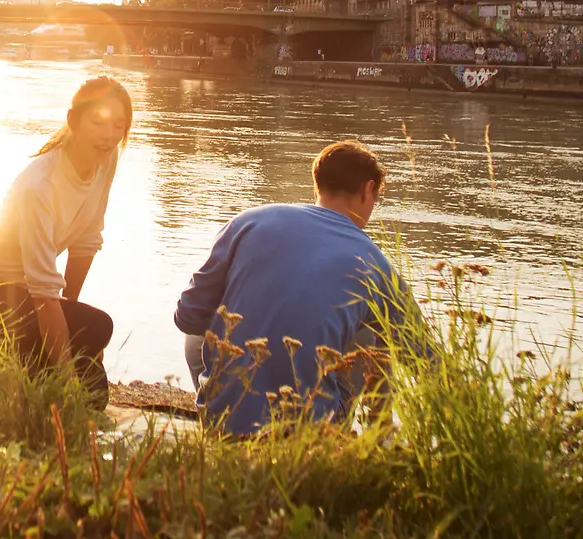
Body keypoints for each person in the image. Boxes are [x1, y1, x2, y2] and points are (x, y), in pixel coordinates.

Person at [174, 140, 427, 436]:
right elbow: (423, 358)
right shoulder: (374, 262)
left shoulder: (248, 221)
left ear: (317, 184)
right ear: (367, 189)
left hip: (225, 421)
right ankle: (376, 433)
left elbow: (187, 317)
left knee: (196, 338)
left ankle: (226, 415)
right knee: (372, 331)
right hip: (310, 433)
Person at [0, 77, 133, 407]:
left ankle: (37, 366)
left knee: (94, 374)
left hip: (24, 295)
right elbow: (44, 294)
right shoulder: (41, 186)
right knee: (97, 329)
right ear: (73, 120)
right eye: (99, 122)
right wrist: (64, 382)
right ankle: (34, 371)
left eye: (119, 125)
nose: (109, 135)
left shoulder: (106, 159)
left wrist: (71, 310)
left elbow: (87, 240)